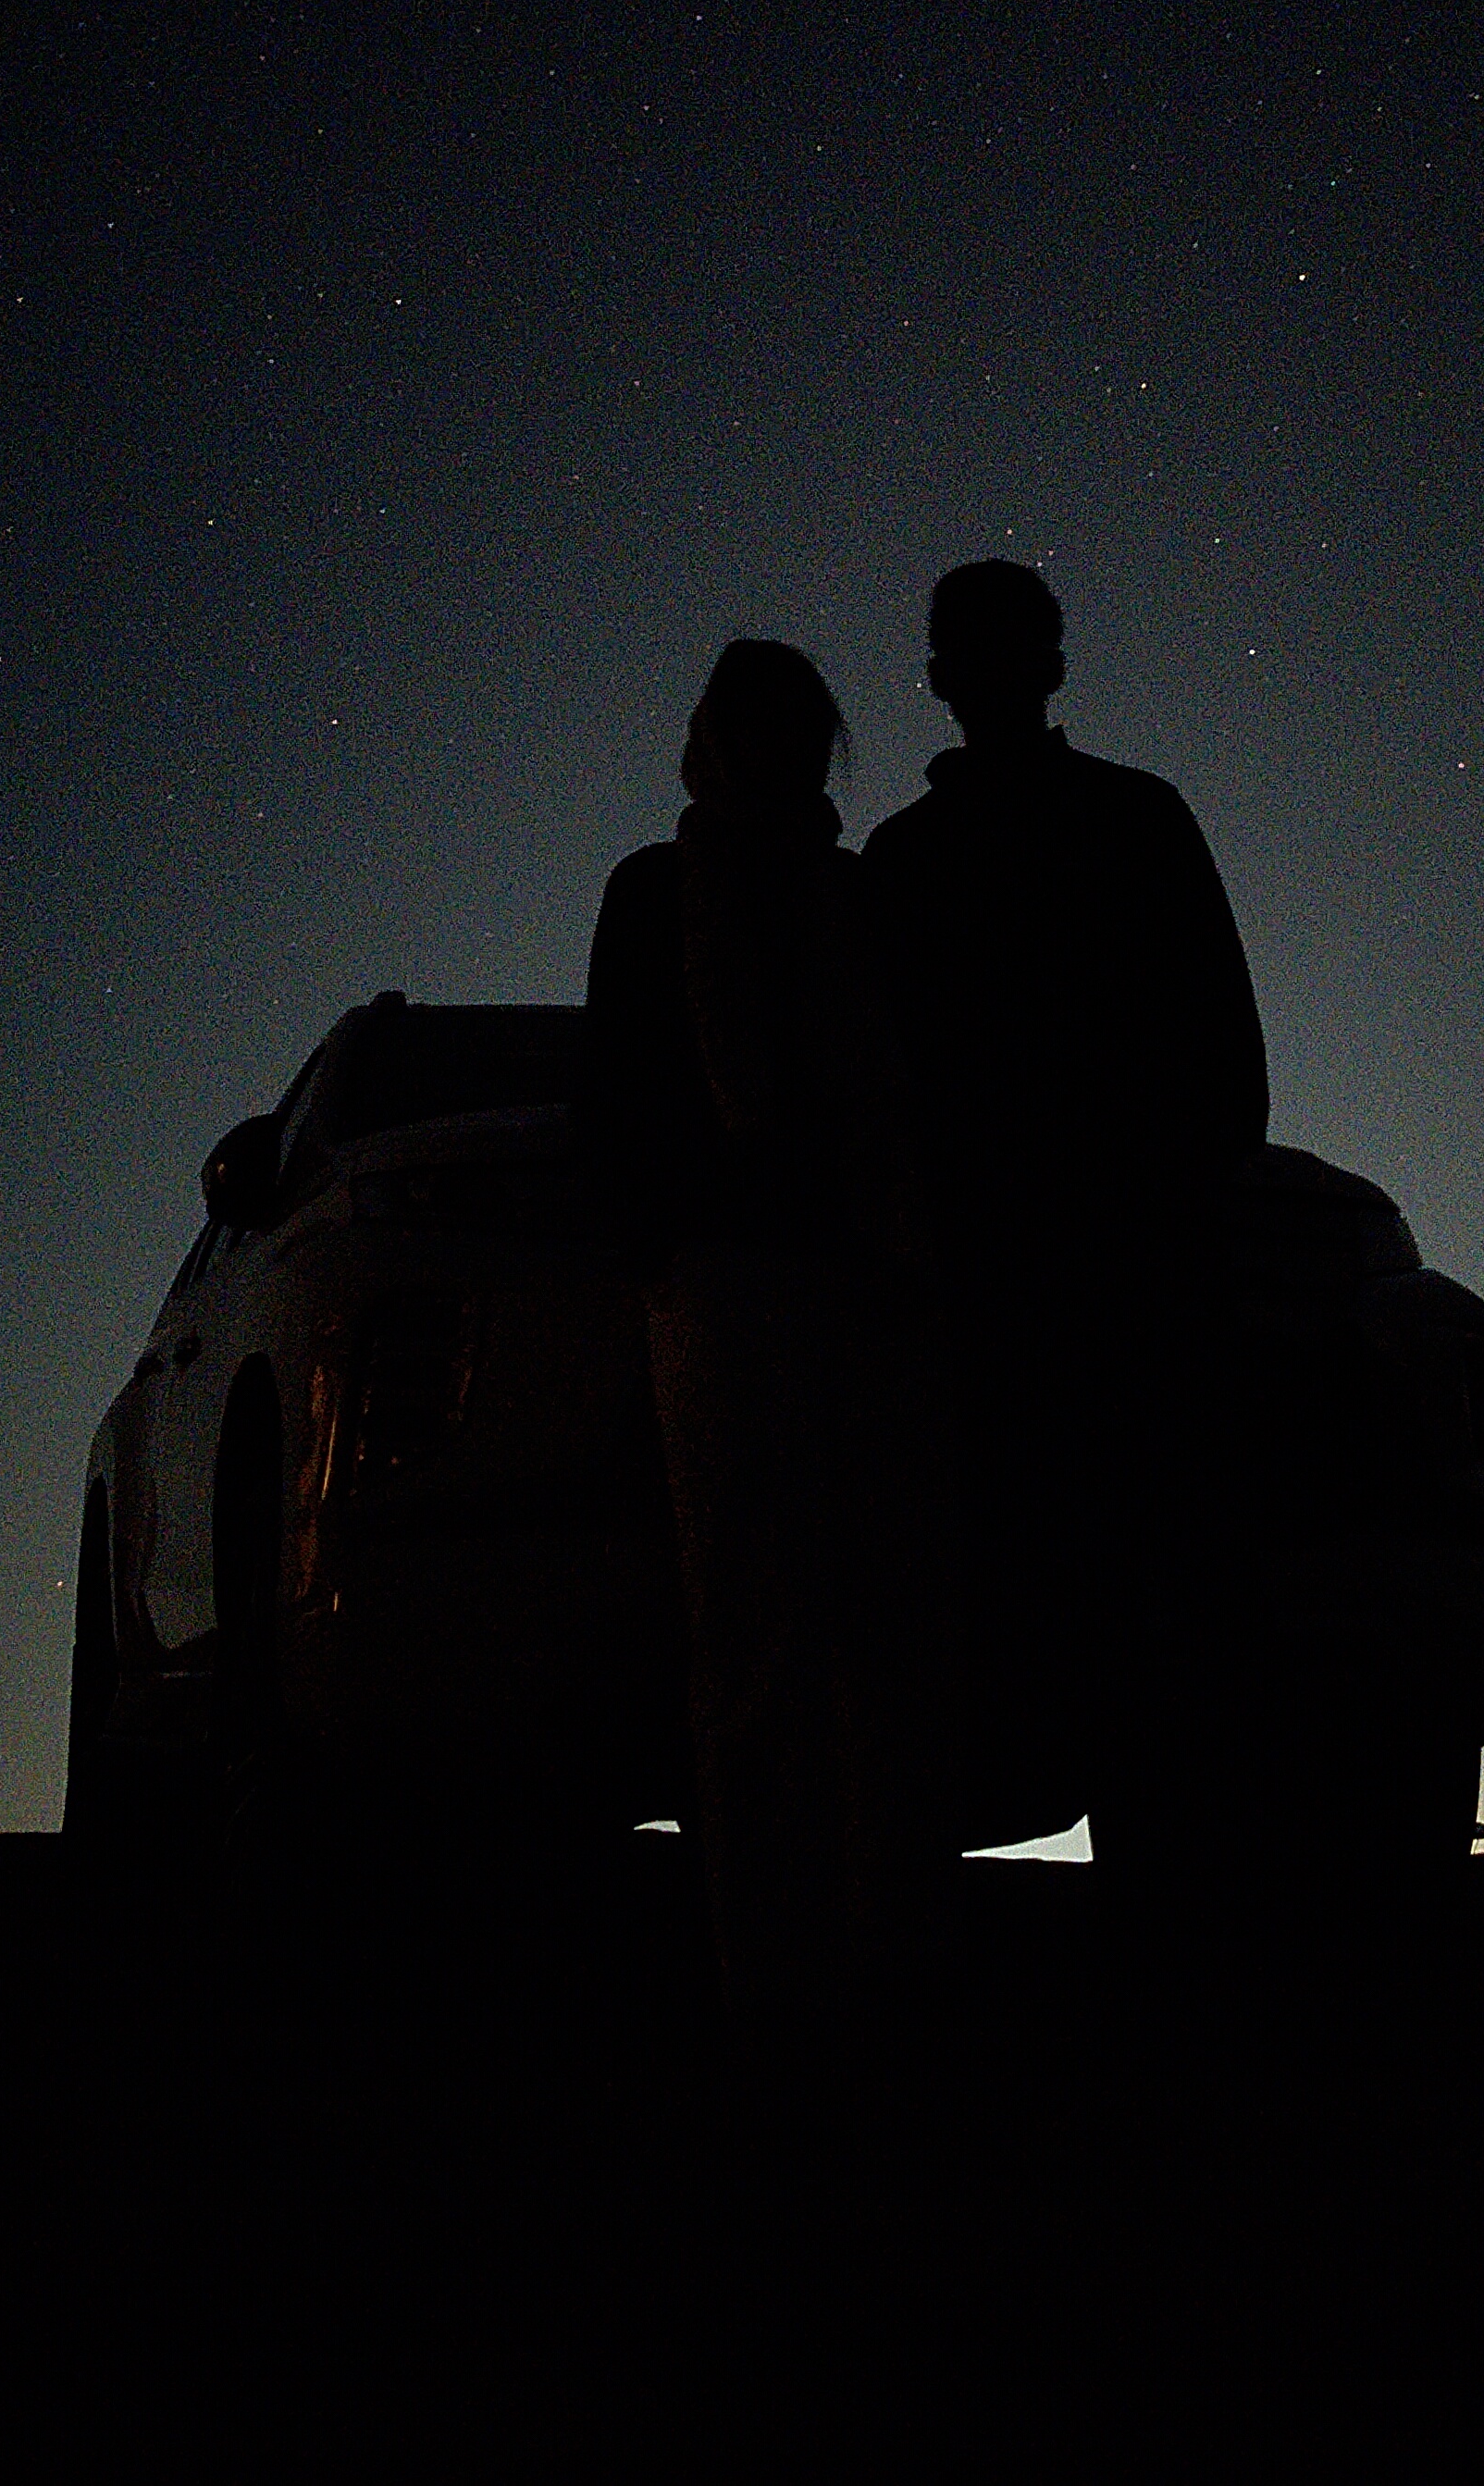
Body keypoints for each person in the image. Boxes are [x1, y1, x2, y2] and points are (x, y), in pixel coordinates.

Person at [859, 562, 1269, 1869]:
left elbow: (1223, 1060)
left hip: (1094, 1290)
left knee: (1118, 1614)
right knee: (1080, 1611)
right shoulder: (928, 857)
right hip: (1015, 1298)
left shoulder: (970, 849)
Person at [585, 638, 954, 2032]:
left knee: (868, 1630)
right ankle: (778, 1987)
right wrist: (667, 1248)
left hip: (856, 1285)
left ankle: (870, 1968)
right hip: (731, 1286)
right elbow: (622, 1090)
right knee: (759, 1633)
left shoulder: (852, 899)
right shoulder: (661, 891)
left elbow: (906, 1091)